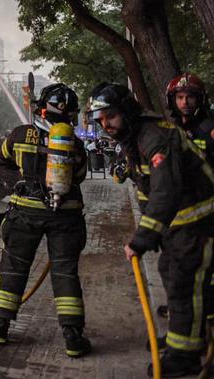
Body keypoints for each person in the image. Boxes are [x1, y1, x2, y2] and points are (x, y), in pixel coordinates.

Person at [89, 83, 214, 377]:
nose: (106, 125)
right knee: (171, 275)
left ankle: (187, 356)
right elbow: (147, 189)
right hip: (177, 225)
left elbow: (164, 192)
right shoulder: (134, 136)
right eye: (100, 120)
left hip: (198, 224)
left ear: (127, 112)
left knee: (185, 284)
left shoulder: (154, 137)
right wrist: (155, 231)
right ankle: (178, 340)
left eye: (111, 117)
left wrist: (142, 238)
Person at [0, 83, 91, 358]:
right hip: (66, 216)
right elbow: (80, 175)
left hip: (25, 213)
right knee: (65, 272)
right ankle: (72, 336)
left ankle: (0, 326)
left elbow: (1, 161)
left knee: (13, 267)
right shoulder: (76, 144)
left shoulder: (19, 135)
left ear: (42, 108)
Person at [166, 73, 214, 167]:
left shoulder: (209, 127)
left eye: (190, 97)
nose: (185, 102)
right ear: (172, 100)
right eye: (180, 97)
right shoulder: (173, 129)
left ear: (200, 99)